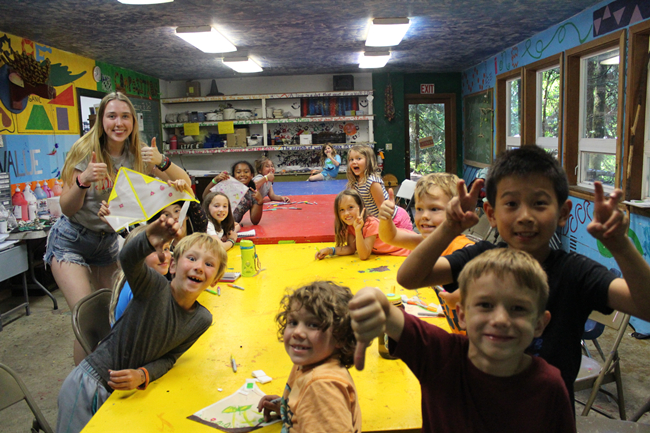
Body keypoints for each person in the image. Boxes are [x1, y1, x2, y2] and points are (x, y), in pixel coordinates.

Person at [396, 145, 650, 402]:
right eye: (511, 204)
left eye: (539, 203)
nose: (525, 216)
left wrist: (621, 246)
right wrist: (449, 228)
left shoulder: (576, 272)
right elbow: (409, 277)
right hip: (480, 402)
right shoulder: (481, 258)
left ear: (562, 213)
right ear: (491, 214)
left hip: (547, 411)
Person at [349, 248, 576, 433]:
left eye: (518, 308)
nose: (500, 320)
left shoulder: (550, 386)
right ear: (462, 315)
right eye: (485, 305)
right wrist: (372, 300)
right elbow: (387, 312)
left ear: (540, 324)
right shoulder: (440, 355)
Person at [44, 92, 191, 365]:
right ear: (101, 120)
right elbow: (67, 208)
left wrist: (161, 161)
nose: (119, 123)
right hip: (71, 240)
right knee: (87, 318)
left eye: (125, 116)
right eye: (111, 116)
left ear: (134, 121)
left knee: (112, 315)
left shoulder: (140, 153)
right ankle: (86, 380)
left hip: (107, 243)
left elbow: (185, 183)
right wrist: (84, 181)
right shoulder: (84, 151)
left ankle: (109, 371)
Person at [56, 216, 227, 433]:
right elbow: (127, 258)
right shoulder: (154, 287)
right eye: (192, 258)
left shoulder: (202, 319)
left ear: (216, 279)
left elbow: (170, 357)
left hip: (125, 396)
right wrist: (147, 239)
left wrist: (143, 374)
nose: (199, 267)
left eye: (209, 264)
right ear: (173, 265)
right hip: (91, 384)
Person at [257, 281, 362, 433]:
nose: (297, 332)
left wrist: (312, 405)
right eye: (293, 322)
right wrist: (286, 408)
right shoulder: (311, 361)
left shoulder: (321, 387)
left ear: (340, 337)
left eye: (313, 325)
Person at [379, 173, 474, 333]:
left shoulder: (463, 248)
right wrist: (386, 218)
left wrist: (463, 294)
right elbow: (391, 237)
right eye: (419, 209)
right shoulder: (427, 244)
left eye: (434, 209)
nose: (424, 216)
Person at [315, 190, 409, 261]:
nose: (346, 213)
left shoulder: (371, 224)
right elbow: (351, 248)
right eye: (342, 210)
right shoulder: (351, 225)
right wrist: (330, 250)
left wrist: (358, 231)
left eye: (350, 207)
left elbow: (364, 255)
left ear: (360, 207)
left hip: (407, 250)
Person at [108, 225, 172, 325]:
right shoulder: (139, 290)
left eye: (166, 248)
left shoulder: (147, 281)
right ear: (136, 255)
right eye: (154, 250)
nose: (164, 256)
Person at [346, 144, 412, 230]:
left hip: (394, 220)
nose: (354, 162)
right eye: (351, 159)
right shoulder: (355, 182)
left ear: (368, 161)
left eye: (358, 158)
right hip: (374, 220)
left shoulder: (372, 182)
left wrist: (380, 228)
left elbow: (382, 208)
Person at [203, 160, 263, 225]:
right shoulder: (226, 186)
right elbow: (205, 196)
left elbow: (255, 221)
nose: (242, 174)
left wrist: (260, 202)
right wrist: (215, 180)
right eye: (238, 172)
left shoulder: (252, 195)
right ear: (234, 175)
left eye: (246, 172)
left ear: (252, 175)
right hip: (213, 224)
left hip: (231, 227)